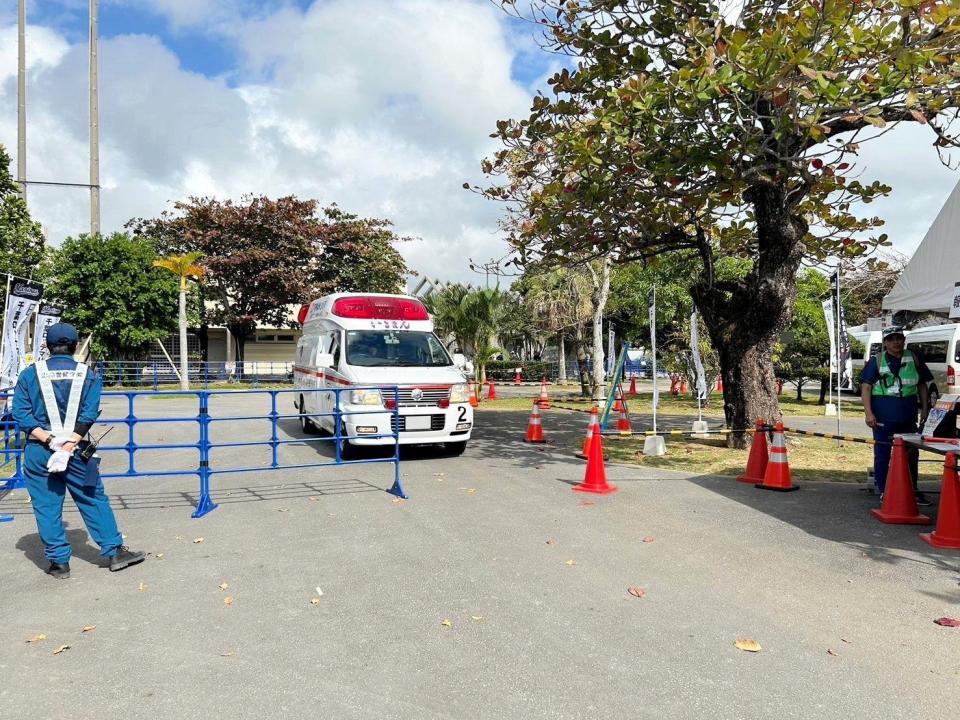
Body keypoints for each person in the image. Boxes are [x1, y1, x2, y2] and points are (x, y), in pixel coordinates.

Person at [12, 323, 144, 579]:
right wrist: (70, 442)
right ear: (75, 346)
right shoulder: (88, 374)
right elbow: (89, 412)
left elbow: (21, 413)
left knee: (46, 505)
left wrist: (50, 440)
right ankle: (114, 551)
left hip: (40, 450)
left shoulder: (30, 374)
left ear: (48, 347)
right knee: (92, 498)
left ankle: (59, 563)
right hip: (77, 449)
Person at [860, 326, 932, 505]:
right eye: (891, 339)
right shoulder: (877, 361)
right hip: (883, 416)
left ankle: (911, 490)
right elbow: (866, 387)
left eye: (899, 338)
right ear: (885, 343)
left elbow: (922, 384)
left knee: (911, 453)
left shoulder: (913, 357)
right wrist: (868, 413)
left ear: (904, 340)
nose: (896, 342)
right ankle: (885, 491)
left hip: (908, 415)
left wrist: (925, 408)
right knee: (883, 453)